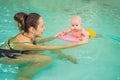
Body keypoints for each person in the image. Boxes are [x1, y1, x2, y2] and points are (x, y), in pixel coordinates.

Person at [0, 12, 88, 80]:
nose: (44, 28)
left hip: (18, 51)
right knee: (46, 59)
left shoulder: (28, 34)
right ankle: (24, 76)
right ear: (32, 29)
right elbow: (53, 48)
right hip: (6, 57)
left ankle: (64, 57)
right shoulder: (24, 44)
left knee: (43, 44)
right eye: (42, 26)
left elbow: (39, 42)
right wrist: (79, 44)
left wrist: (54, 37)